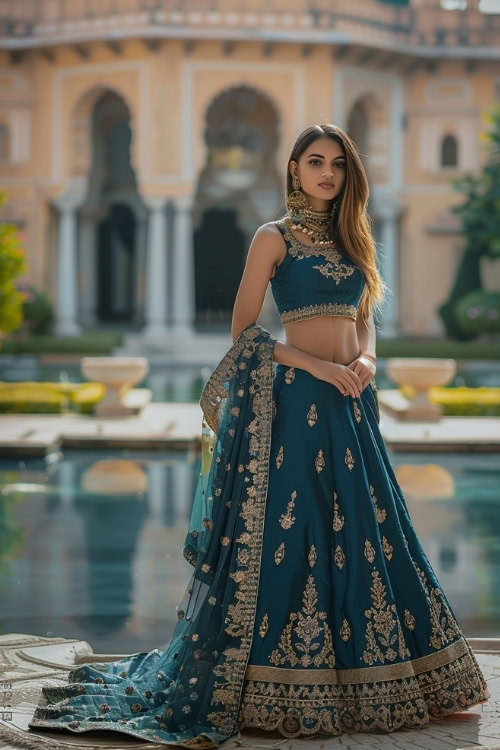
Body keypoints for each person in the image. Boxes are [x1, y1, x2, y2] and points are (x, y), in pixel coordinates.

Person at [25, 123, 489, 748]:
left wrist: (367, 361)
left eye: (338, 165)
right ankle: (286, 682)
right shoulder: (274, 238)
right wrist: (320, 366)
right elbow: (246, 332)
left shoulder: (355, 238)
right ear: (294, 169)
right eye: (315, 161)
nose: (327, 173)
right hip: (300, 404)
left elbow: (365, 317)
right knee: (292, 536)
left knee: (370, 532)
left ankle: (376, 679)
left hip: (353, 403)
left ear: (349, 175)